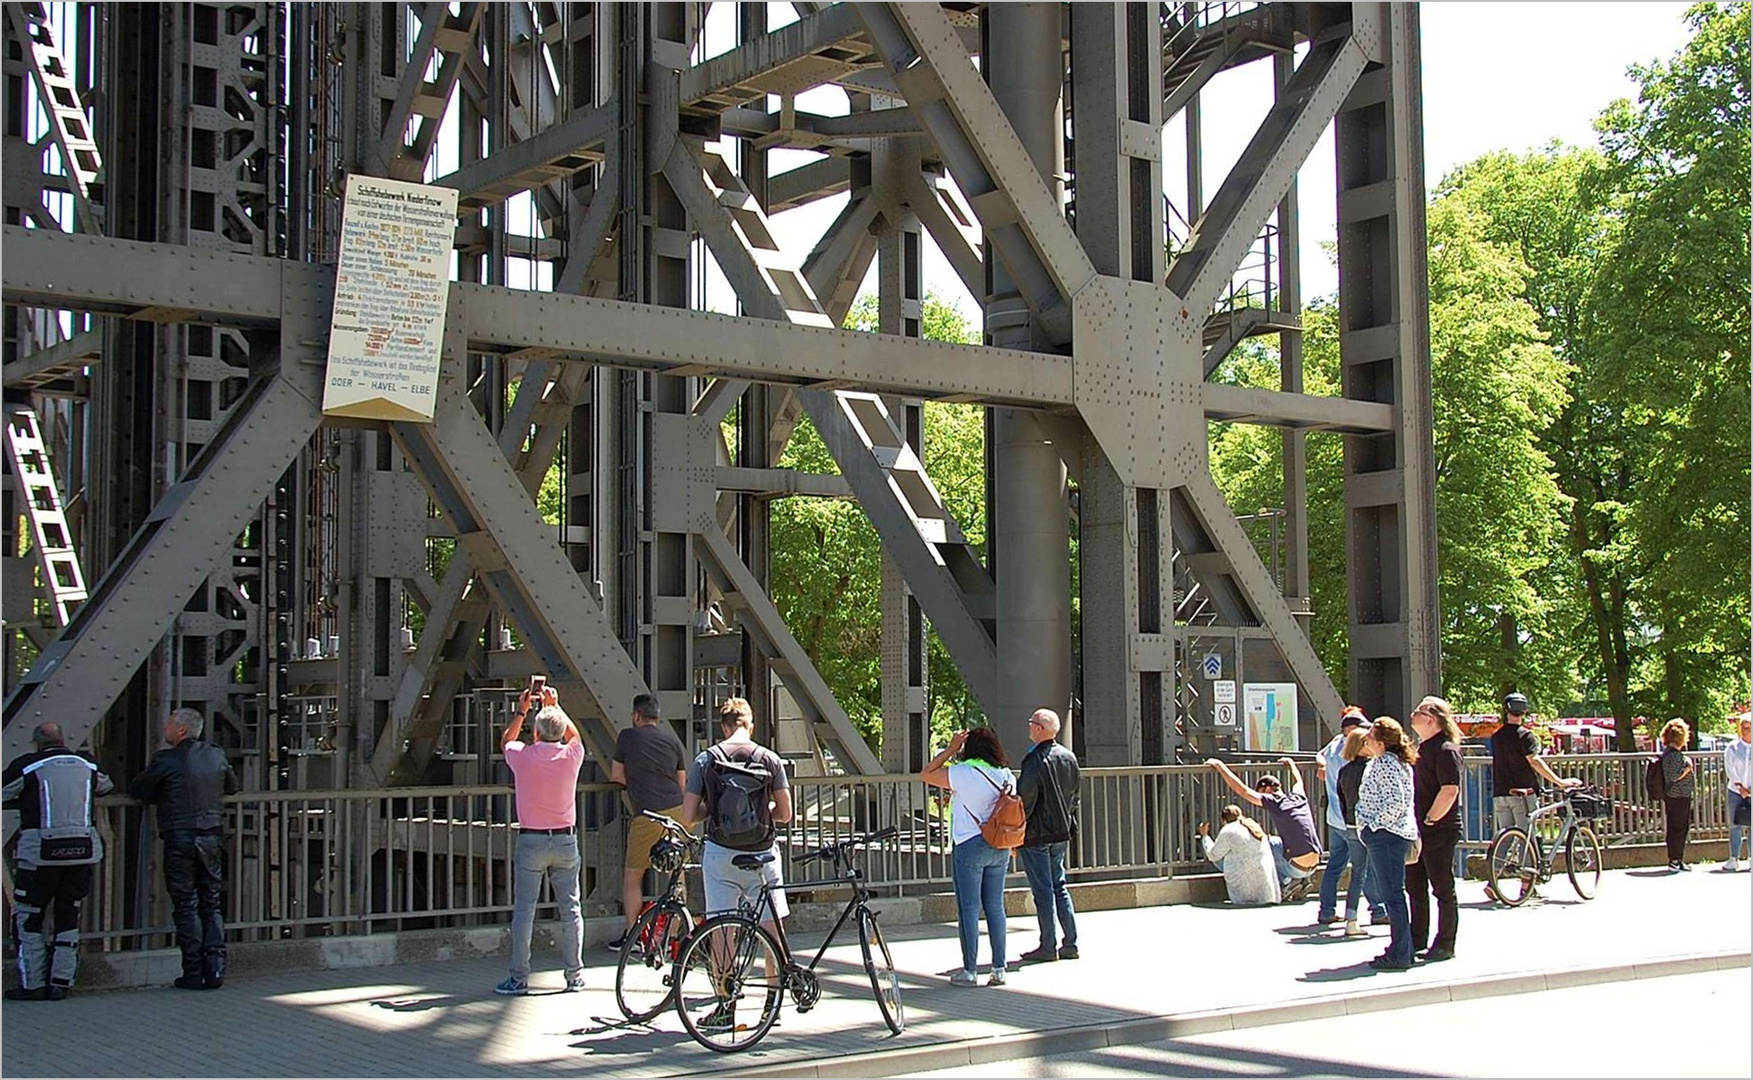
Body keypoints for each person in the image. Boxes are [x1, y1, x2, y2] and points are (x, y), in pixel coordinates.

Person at [2, 722, 114, 1000]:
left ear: (37, 742)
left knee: (29, 918)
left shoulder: (28, 766)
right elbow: (106, 787)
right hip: (81, 852)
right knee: (68, 916)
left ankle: (34, 984)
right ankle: (61, 983)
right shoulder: (86, 763)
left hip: (40, 854)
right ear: (63, 739)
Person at [128, 708, 238, 990]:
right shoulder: (215, 754)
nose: (165, 727)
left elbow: (139, 790)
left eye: (169, 723)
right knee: (211, 902)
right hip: (211, 835)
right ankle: (215, 969)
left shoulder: (166, 760)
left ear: (181, 730)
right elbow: (232, 786)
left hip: (180, 836)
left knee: (186, 903)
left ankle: (193, 971)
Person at [495, 683, 586, 995]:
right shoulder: (572, 755)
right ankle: (574, 976)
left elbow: (507, 740)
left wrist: (523, 709)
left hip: (531, 840)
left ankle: (519, 977)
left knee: (525, 910)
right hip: (565, 841)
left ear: (534, 733)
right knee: (571, 909)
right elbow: (574, 736)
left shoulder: (523, 756)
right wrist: (556, 705)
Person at [921, 727, 1013, 987]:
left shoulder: (963, 773)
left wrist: (950, 750)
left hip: (969, 844)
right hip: (999, 845)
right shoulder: (1006, 775)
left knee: (969, 909)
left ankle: (970, 971)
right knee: (995, 907)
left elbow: (926, 774)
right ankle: (999, 969)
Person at [609, 693, 689, 951]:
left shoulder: (627, 737)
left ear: (636, 716)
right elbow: (682, 783)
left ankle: (633, 936)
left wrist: (638, 782)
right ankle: (672, 937)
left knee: (633, 876)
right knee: (677, 875)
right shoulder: (672, 741)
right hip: (677, 813)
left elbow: (617, 775)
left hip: (647, 814)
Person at [1204, 756, 1322, 900]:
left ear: (1266, 789)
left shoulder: (1274, 802)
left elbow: (1243, 790)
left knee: (1262, 845)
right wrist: (1291, 764)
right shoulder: (1298, 798)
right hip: (1314, 863)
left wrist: (1219, 765)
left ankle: (1285, 884)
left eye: (1260, 792)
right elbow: (1298, 781)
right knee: (1273, 841)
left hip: (1295, 865)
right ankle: (1294, 880)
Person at [1016, 708, 1080, 964]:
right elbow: (1075, 794)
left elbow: (1026, 800)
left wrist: (1019, 831)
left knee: (1042, 890)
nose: (1029, 727)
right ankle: (1070, 941)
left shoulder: (1033, 761)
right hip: (1061, 832)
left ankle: (1047, 945)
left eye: (1032, 723)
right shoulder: (1069, 757)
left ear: (1040, 728)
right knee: (1059, 886)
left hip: (1037, 834)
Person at [1355, 718, 1418, 971]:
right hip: (1392, 835)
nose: (1366, 739)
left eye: (1370, 736)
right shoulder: (1398, 763)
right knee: (1394, 895)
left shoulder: (1384, 764)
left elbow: (1396, 801)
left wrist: (1373, 825)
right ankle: (1401, 949)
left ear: (1381, 743)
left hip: (1386, 836)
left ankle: (1401, 953)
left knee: (1392, 895)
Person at [1407, 696, 1463, 963]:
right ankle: (1416, 938)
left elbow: (1450, 789)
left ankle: (1445, 943)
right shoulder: (1423, 748)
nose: (1413, 715)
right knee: (1415, 886)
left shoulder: (1445, 750)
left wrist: (1430, 819)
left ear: (1432, 718)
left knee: (1442, 887)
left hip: (1438, 829)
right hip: (1418, 829)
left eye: (1419, 711)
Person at [1315, 706, 1370, 923]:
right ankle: (1376, 910)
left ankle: (1326, 910)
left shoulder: (1334, 744)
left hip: (1334, 817)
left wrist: (1322, 765)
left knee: (1335, 865)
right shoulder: (1354, 757)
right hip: (1353, 820)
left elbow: (1319, 755)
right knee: (1363, 868)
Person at [1335, 728, 1387, 937]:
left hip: (1350, 825)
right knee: (1383, 871)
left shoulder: (1344, 771)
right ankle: (1387, 911)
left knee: (1358, 873)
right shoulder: (1371, 769)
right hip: (1370, 825)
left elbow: (1341, 800)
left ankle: (1351, 918)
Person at [1198, 806, 1280, 906]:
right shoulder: (1253, 826)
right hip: (1265, 883)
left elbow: (1213, 855)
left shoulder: (1228, 830)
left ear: (1223, 820)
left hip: (1243, 881)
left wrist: (1205, 836)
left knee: (1220, 855)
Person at [1658, 717, 1696, 872]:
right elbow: (1674, 776)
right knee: (1678, 828)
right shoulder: (1673, 755)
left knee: (1678, 827)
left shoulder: (1669, 753)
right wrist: (1688, 768)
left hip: (1678, 796)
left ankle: (1677, 859)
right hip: (1678, 795)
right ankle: (1675, 859)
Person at [1726, 713, 1751, 872]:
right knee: (1735, 824)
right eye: (1742, 727)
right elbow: (1730, 769)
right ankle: (1733, 858)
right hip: (1735, 791)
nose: (1744, 730)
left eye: (1748, 727)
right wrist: (1740, 787)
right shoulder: (1732, 747)